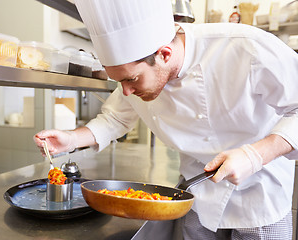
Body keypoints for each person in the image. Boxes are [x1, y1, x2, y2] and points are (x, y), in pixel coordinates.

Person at [34, 0, 298, 239]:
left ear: (165, 54)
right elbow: (114, 119)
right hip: (197, 196)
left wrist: (254, 155)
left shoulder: (246, 47)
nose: (126, 91)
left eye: (131, 79)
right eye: (119, 80)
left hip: (261, 197)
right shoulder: (134, 72)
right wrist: (70, 139)